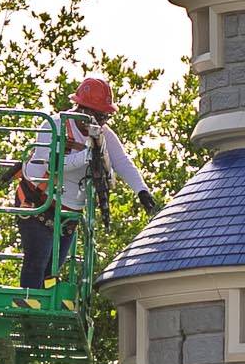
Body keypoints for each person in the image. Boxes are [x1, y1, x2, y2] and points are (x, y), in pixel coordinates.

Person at [14, 76, 161, 288]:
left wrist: (142, 191)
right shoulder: (54, 126)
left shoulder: (102, 135)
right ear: (83, 109)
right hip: (37, 204)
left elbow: (122, 162)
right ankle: (27, 310)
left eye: (104, 117)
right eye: (99, 116)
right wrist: (86, 156)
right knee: (37, 261)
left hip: (68, 214)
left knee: (53, 268)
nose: (102, 122)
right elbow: (52, 165)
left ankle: (43, 308)